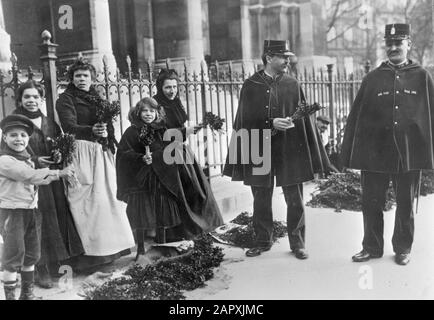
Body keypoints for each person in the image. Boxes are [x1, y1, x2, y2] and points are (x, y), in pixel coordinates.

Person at [223, 40, 330, 259]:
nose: (288, 61)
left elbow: (303, 119)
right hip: (259, 145)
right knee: (260, 195)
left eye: (288, 57)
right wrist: (270, 123)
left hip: (289, 148)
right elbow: (243, 120)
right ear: (269, 58)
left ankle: (298, 243)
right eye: (283, 57)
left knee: (294, 196)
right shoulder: (250, 85)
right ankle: (263, 240)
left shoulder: (292, 84)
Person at [341, 23, 434, 266]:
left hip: (409, 153)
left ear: (408, 45)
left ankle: (403, 248)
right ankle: (371, 247)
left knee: (405, 203)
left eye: (398, 43)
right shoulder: (372, 78)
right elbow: (357, 116)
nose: (393, 47)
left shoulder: (422, 76)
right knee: (371, 201)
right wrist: (352, 153)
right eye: (389, 44)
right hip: (375, 153)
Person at [56, 58, 135, 271]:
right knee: (85, 202)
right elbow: (68, 125)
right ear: (71, 78)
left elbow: (108, 124)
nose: (82, 79)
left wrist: (108, 136)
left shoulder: (97, 98)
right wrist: (91, 130)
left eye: (86, 76)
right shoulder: (65, 99)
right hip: (81, 151)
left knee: (106, 200)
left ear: (92, 79)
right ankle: (88, 258)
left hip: (100, 151)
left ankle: (109, 253)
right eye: (78, 76)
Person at [13, 81, 84, 288]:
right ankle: (39, 267)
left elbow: (62, 146)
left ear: (42, 100)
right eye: (27, 97)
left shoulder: (50, 123)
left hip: (52, 179)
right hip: (30, 183)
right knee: (36, 223)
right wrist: (35, 162)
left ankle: (56, 262)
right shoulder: (15, 123)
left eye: (36, 97)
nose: (32, 101)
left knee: (56, 217)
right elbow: (8, 155)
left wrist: (60, 155)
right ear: (20, 100)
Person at [0, 114, 74, 300]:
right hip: (12, 212)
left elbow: (36, 175)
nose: (19, 139)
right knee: (13, 255)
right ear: (4, 138)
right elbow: (29, 175)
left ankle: (27, 294)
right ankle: (10, 297)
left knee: (32, 253)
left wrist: (52, 171)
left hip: (31, 211)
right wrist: (58, 172)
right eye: (13, 135)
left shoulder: (27, 159)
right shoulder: (4, 161)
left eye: (23, 136)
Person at [153, 69, 224, 241]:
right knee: (183, 193)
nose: (172, 91)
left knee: (199, 190)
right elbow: (159, 133)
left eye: (175, 87)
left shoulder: (176, 103)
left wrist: (192, 129)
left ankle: (204, 226)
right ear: (160, 88)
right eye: (168, 87)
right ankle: (188, 231)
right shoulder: (155, 105)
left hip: (181, 150)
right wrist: (185, 131)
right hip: (165, 154)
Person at [116, 97, 182, 259]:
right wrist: (140, 158)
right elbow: (123, 153)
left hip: (160, 176)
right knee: (141, 212)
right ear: (138, 112)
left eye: (152, 111)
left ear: (157, 112)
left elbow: (171, 150)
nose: (148, 114)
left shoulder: (161, 130)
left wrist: (156, 156)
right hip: (141, 179)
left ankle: (163, 244)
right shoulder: (132, 131)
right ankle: (140, 249)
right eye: (144, 111)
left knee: (162, 211)